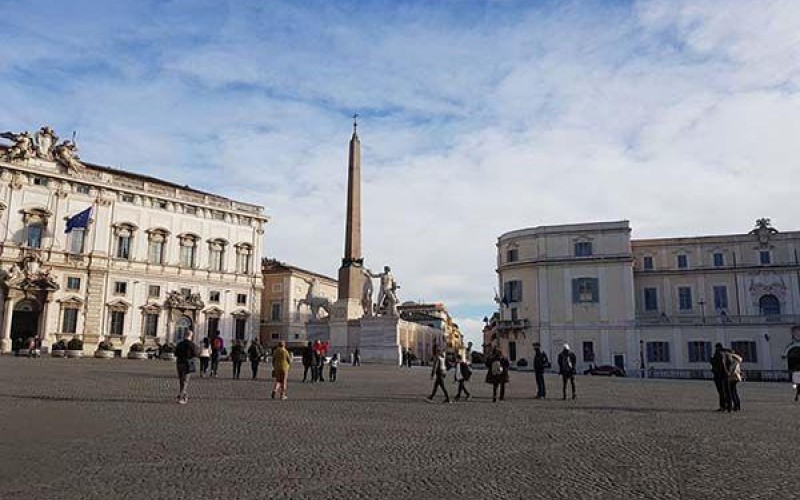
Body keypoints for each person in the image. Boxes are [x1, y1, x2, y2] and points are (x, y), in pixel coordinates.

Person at [174, 330, 199, 405]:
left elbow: (176, 353)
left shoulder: (180, 344)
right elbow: (195, 354)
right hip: (187, 364)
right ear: (191, 336)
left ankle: (183, 394)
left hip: (179, 363)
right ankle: (181, 397)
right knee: (185, 381)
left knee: (181, 380)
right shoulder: (192, 345)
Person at [710, 343, 727, 411]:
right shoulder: (723, 354)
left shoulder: (718, 354)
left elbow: (720, 364)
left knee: (721, 391)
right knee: (723, 391)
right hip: (721, 374)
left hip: (719, 375)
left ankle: (723, 406)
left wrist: (711, 360)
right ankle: (725, 405)